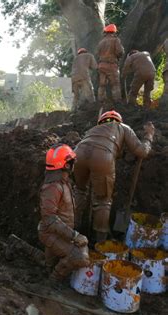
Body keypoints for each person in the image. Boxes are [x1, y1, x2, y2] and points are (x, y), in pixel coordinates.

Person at [73, 111, 155, 242]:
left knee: (80, 191)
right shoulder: (123, 127)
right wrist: (149, 136)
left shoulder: (92, 129)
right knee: (103, 200)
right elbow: (142, 151)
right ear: (118, 120)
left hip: (78, 154)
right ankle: (99, 242)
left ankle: (73, 231)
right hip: (102, 157)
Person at [38, 144, 90, 285]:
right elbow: (49, 219)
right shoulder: (53, 187)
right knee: (80, 256)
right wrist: (74, 236)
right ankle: (53, 281)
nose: (74, 164)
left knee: (50, 262)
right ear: (66, 165)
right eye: (72, 162)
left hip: (59, 232)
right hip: (51, 233)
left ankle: (49, 267)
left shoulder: (63, 181)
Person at [96, 24, 124, 104]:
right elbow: (120, 52)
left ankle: (101, 101)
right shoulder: (115, 40)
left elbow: (97, 53)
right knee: (115, 84)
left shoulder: (101, 42)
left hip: (101, 65)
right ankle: (117, 102)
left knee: (102, 84)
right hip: (111, 65)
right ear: (114, 32)